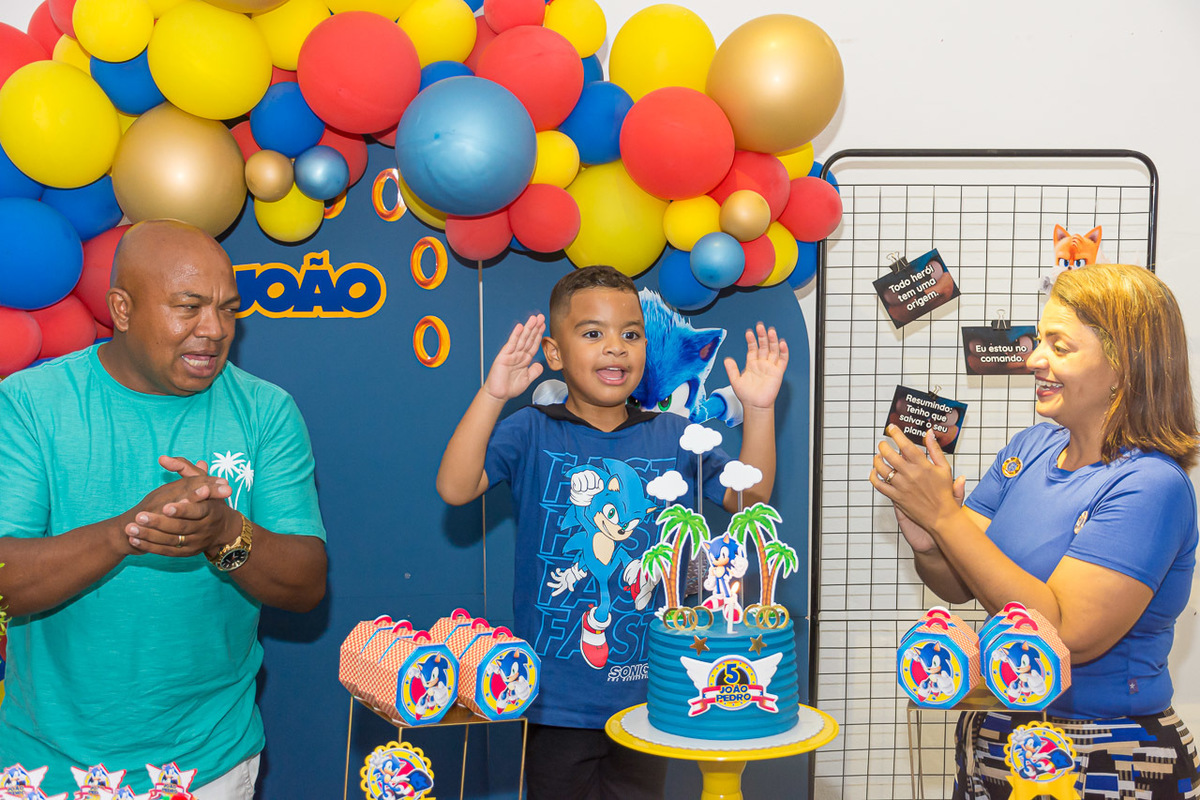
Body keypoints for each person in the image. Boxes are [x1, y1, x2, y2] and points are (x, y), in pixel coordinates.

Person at [0, 220, 327, 798]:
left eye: (227, 309)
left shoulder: (266, 411)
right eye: (189, 307)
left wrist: (224, 532)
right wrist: (127, 533)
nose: (214, 329)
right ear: (122, 309)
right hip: (48, 769)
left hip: (209, 765)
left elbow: (305, 586)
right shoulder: (30, 404)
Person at [436, 265, 788, 799]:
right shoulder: (531, 429)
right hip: (553, 700)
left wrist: (759, 410)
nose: (615, 347)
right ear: (554, 353)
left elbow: (751, 498)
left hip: (652, 694)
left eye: (631, 334)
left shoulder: (675, 434)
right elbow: (455, 487)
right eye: (592, 333)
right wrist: (493, 393)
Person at [870, 263, 1200, 799]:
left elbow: (1065, 636)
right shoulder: (1030, 448)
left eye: (1059, 346)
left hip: (1106, 757)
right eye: (1040, 339)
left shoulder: (1149, 485)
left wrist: (946, 518)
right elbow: (960, 583)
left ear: (1124, 364)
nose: (1033, 359)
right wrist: (930, 541)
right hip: (995, 737)